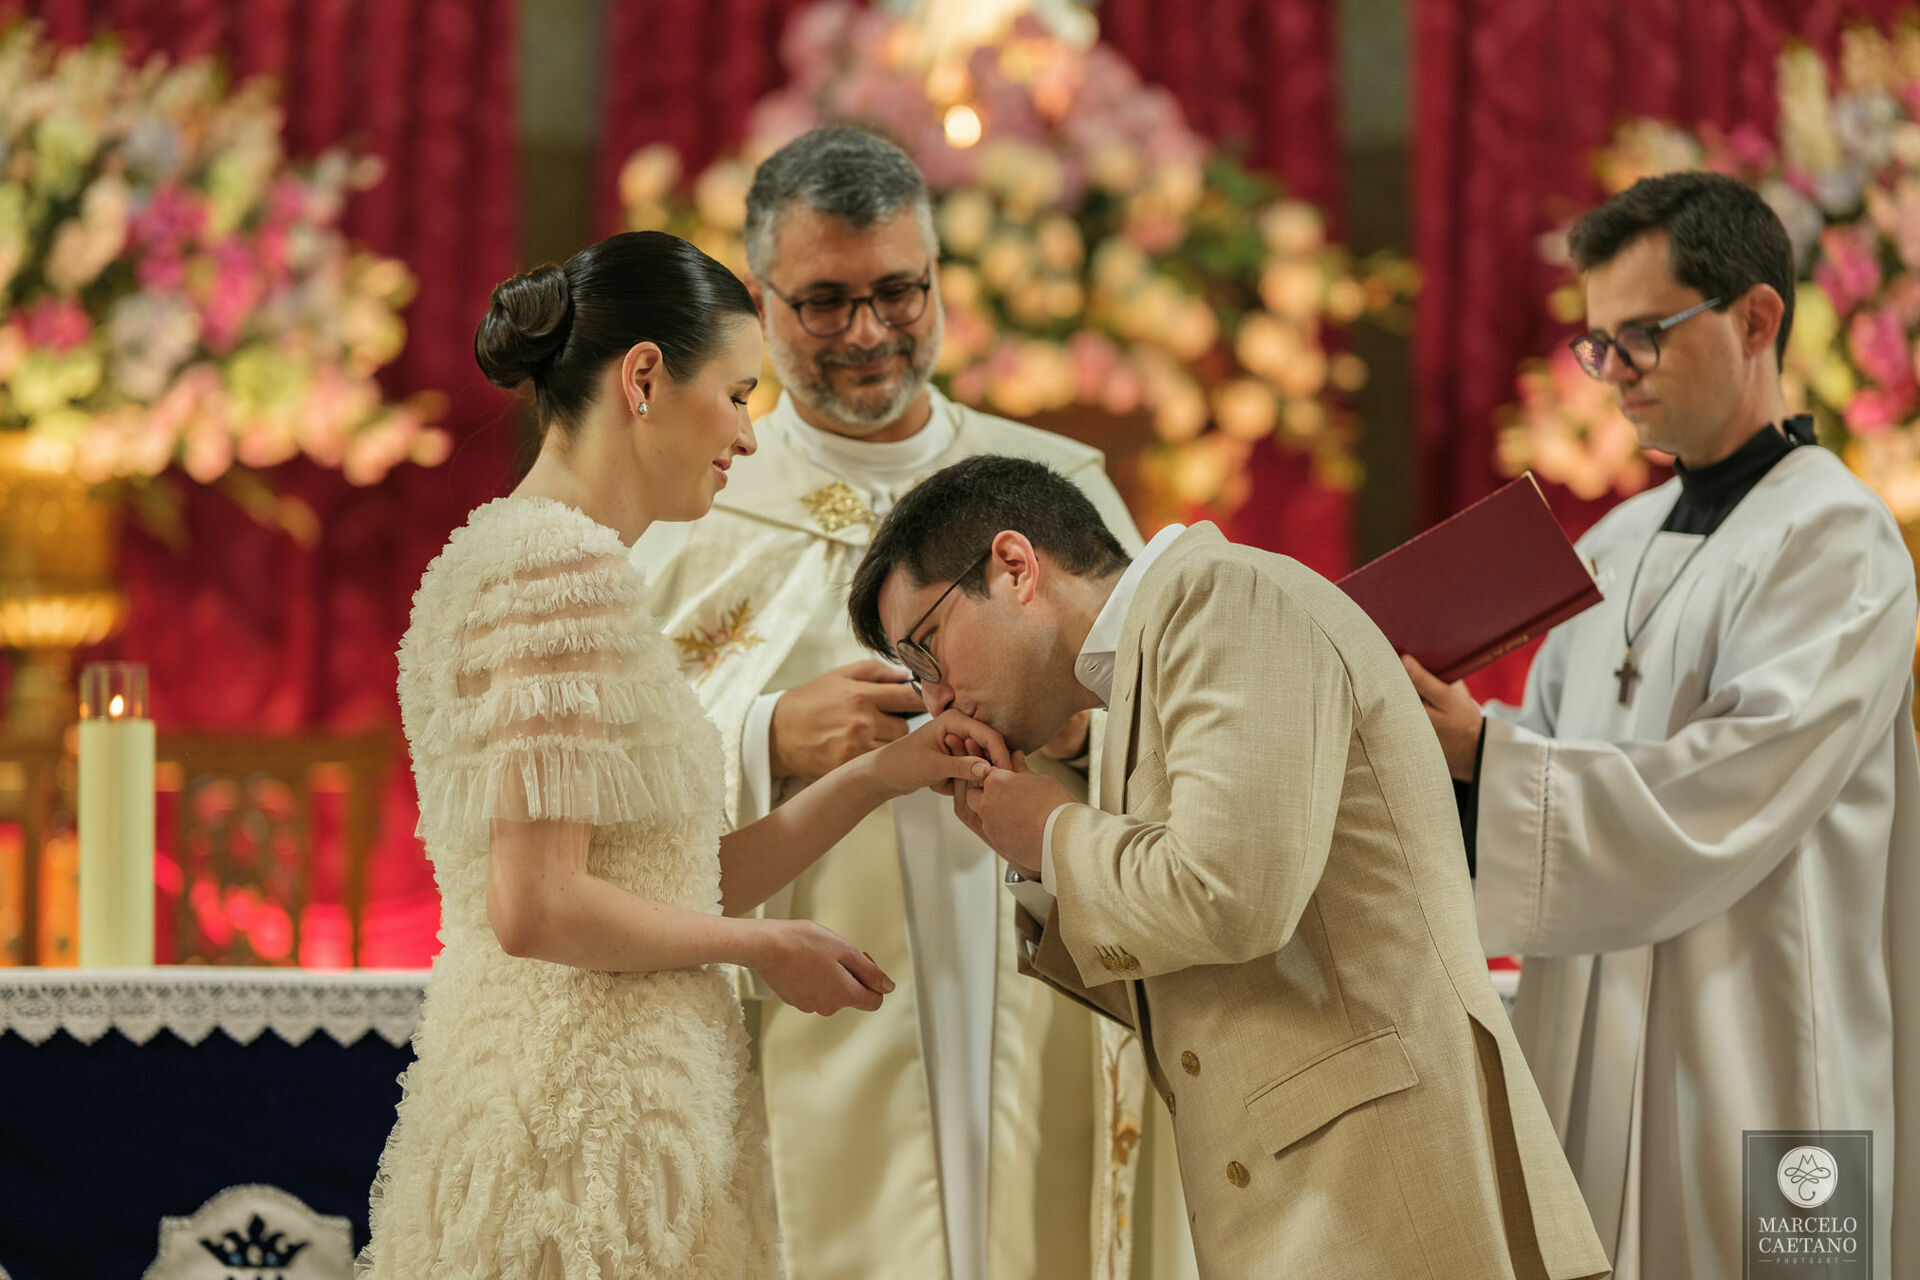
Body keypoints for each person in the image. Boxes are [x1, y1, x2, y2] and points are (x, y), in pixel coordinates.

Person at [359, 231, 995, 1279]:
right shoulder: (550, 571)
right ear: (644, 376)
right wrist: (761, 947)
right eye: (737, 392)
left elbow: (670, 880)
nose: (747, 437)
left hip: (631, 1097)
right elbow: (536, 906)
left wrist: (878, 775)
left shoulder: (548, 557)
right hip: (575, 1119)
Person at [846, 455, 1613, 1280]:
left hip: (1386, 1181)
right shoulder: (1135, 676)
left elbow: (1233, 897)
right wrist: (1041, 858)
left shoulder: (1225, 597)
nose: (934, 700)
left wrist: (1052, 834)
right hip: (1307, 1188)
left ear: (1014, 566)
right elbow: (1184, 977)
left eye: (926, 653)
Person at [627, 127, 1165, 1280]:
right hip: (818, 975)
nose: (868, 333)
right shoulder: (694, 509)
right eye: (824, 303)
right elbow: (605, 772)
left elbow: (1166, 708)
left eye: (896, 292)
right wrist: (771, 732)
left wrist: (1077, 722)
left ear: (937, 281)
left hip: (1041, 946)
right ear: (760, 301)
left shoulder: (1057, 482)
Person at [1405, 171, 1919, 1280]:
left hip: (1765, 1041)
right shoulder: (1614, 542)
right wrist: (1434, 748)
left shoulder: (1836, 539)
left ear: (1756, 317)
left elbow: (1728, 786)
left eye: (1644, 334)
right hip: (1594, 1016)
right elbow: (1536, 751)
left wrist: (1483, 754)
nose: (1615, 373)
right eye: (1599, 344)